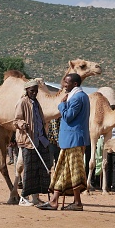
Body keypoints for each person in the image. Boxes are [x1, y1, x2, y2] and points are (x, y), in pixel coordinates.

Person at [37, 73, 90, 211]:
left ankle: (77, 203)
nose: (64, 84)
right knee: (61, 169)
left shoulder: (78, 97)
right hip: (69, 140)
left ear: (75, 84)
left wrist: (61, 105)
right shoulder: (77, 96)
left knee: (75, 171)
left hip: (74, 139)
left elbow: (68, 116)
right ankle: (54, 201)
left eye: (66, 82)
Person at [13, 79, 52, 206]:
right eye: (32, 91)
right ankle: (24, 198)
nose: (34, 93)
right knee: (29, 170)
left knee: (40, 169)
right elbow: (16, 120)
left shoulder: (36, 103)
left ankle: (35, 197)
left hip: (40, 140)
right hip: (28, 141)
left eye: (36, 91)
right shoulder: (22, 102)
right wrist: (22, 124)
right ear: (27, 91)